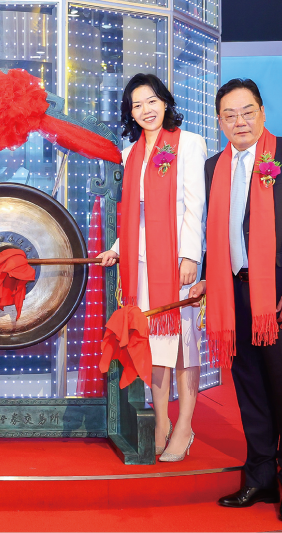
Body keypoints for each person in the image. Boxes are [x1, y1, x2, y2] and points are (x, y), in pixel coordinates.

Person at [188, 78, 282, 523]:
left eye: (247, 112)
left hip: (281, 294)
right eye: (229, 115)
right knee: (251, 391)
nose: (239, 121)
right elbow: (216, 233)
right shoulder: (214, 166)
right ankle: (260, 478)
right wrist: (207, 278)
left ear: (262, 113)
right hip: (234, 293)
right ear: (219, 121)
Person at [97, 73, 207, 462]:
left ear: (165, 102)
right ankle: (161, 423)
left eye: (152, 101)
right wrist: (116, 248)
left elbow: (195, 205)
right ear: (130, 112)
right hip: (141, 264)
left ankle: (185, 427)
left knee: (184, 348)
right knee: (155, 346)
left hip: (177, 261)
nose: (146, 110)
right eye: (137, 105)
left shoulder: (189, 143)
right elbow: (132, 215)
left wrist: (191, 256)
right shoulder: (130, 154)